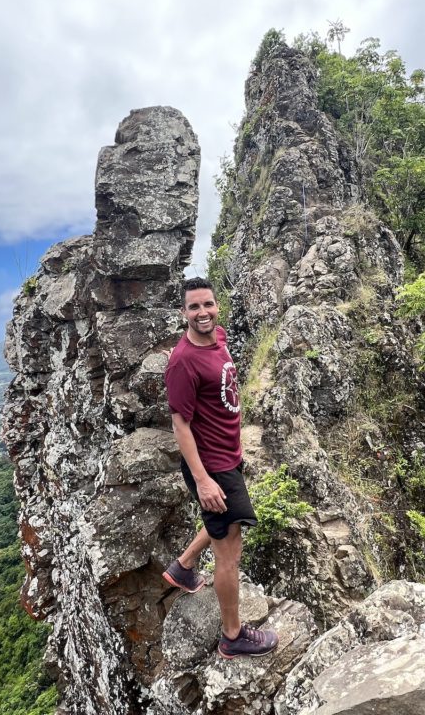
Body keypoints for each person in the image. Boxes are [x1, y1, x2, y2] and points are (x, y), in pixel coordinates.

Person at [163, 277, 279, 659]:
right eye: (193, 307)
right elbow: (180, 425)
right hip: (212, 467)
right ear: (184, 313)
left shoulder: (218, 339)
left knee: (221, 525)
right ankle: (233, 636)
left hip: (228, 457)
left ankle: (183, 566)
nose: (202, 313)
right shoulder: (183, 362)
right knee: (229, 553)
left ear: (216, 306)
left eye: (207, 305)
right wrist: (203, 481)